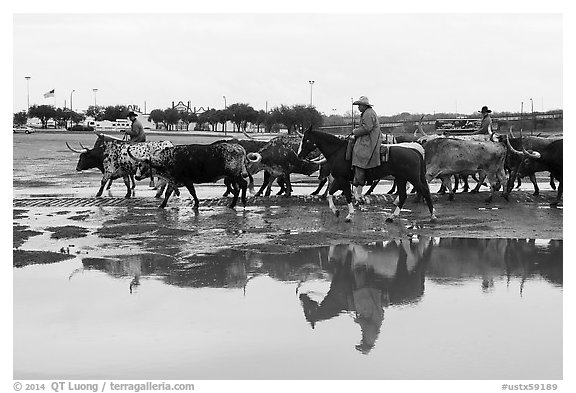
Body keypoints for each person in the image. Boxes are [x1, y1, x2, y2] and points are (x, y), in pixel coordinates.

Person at [350, 96, 383, 203]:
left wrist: (354, 132)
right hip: (368, 138)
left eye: (360, 105)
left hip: (369, 140)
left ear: (365, 106)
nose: (358, 107)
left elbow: (367, 128)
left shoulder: (368, 114)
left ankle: (359, 179)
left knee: (358, 154)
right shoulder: (367, 113)